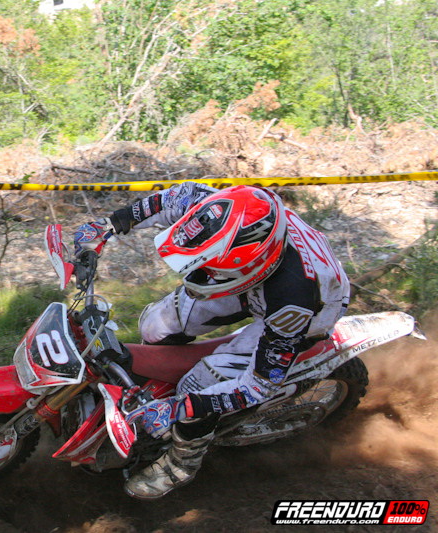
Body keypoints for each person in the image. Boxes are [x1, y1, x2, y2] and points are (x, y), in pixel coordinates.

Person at [73, 182, 350, 500]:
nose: (197, 275)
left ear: (244, 267)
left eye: (208, 270)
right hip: (256, 277)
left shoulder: (294, 305)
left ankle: (181, 462)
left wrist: (182, 407)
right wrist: (108, 225)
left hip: (308, 310)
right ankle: (156, 389)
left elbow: (258, 386)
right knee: (153, 327)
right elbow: (169, 200)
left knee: (198, 387)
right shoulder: (228, 208)